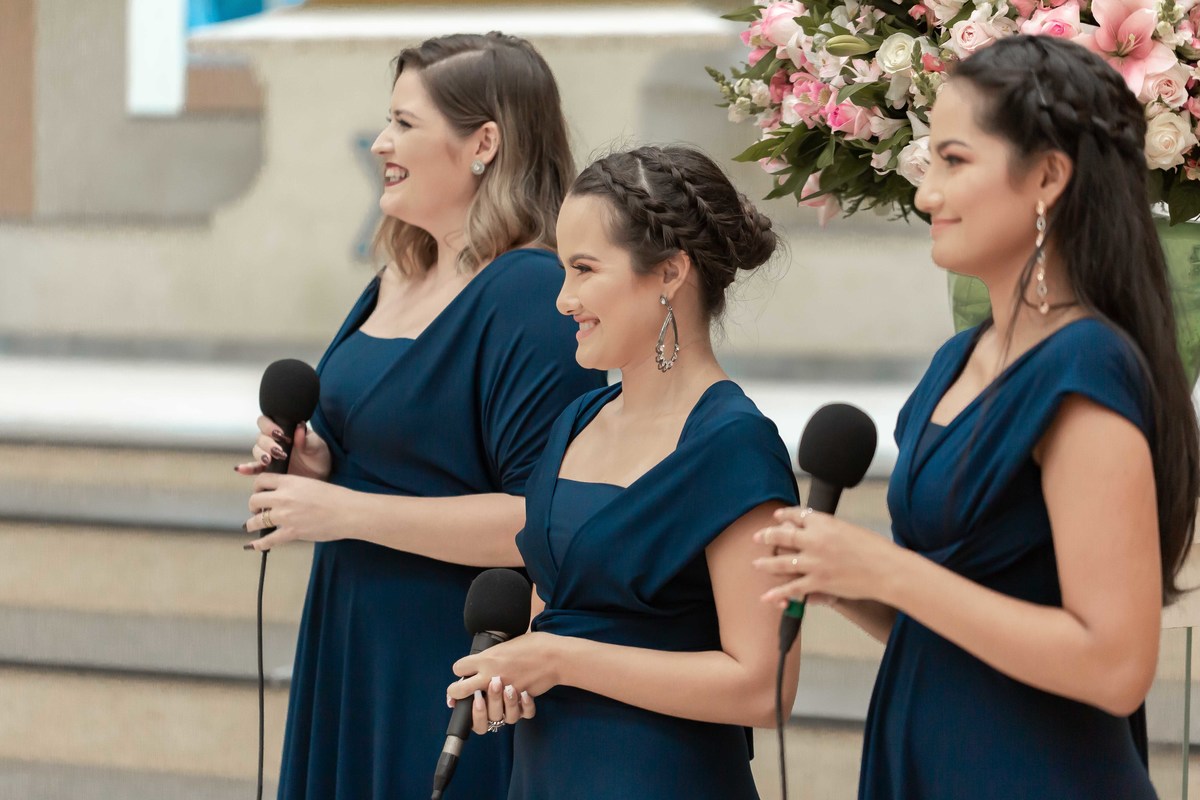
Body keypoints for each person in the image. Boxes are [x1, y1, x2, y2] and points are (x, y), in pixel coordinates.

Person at [753, 34, 1200, 798]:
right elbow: (959, 628)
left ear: (1049, 178)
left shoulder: (1085, 368)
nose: (927, 194)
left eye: (956, 162)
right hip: (932, 756)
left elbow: (1116, 667)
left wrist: (887, 568)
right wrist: (849, 581)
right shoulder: (954, 362)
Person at [233, 33, 605, 799]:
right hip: (351, 633)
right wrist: (318, 461)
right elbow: (401, 447)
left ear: (484, 144)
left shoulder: (531, 294)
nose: (379, 144)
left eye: (404, 123)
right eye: (386, 122)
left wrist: (342, 509)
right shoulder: (399, 273)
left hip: (442, 653)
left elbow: (541, 521)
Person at [445, 144, 802, 799]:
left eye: (584, 270)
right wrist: (512, 671)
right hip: (546, 774)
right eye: (562, 271)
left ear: (669, 273)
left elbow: (765, 685)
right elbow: (558, 611)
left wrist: (559, 659)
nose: (563, 300)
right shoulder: (576, 422)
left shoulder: (734, 446)